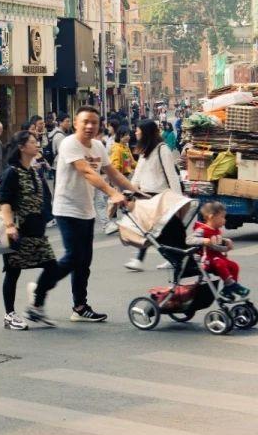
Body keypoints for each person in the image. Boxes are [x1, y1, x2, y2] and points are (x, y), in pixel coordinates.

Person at [25, 105, 133, 326]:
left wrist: (136, 190)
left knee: (84, 262)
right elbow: (85, 170)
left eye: (94, 122)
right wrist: (112, 193)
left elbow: (113, 172)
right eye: (86, 122)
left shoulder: (98, 146)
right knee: (73, 257)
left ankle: (80, 307)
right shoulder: (69, 143)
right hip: (67, 209)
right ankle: (38, 293)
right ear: (76, 123)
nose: (90, 126)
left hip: (86, 210)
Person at [0, 131, 57, 331]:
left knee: (52, 267)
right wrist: (10, 226)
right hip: (19, 231)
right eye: (33, 142)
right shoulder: (11, 172)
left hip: (37, 231)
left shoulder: (34, 171)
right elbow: (4, 201)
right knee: (13, 272)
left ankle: (36, 304)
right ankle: (9, 315)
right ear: (22, 147)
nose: (37, 144)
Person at [125, 119, 184, 272]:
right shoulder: (144, 150)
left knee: (155, 232)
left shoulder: (162, 149)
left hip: (160, 198)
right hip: (144, 197)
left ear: (146, 132)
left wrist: (178, 201)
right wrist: (129, 191)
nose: (136, 132)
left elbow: (172, 176)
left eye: (138, 130)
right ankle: (172, 258)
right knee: (151, 231)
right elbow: (137, 175)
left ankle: (143, 259)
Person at [192, 202, 250, 298]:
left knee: (234, 266)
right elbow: (189, 240)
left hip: (218, 257)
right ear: (211, 217)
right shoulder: (202, 229)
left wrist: (226, 242)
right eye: (222, 217)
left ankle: (227, 289)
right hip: (207, 260)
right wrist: (203, 240)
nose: (224, 220)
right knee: (220, 263)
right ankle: (232, 285)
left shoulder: (216, 230)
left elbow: (216, 241)